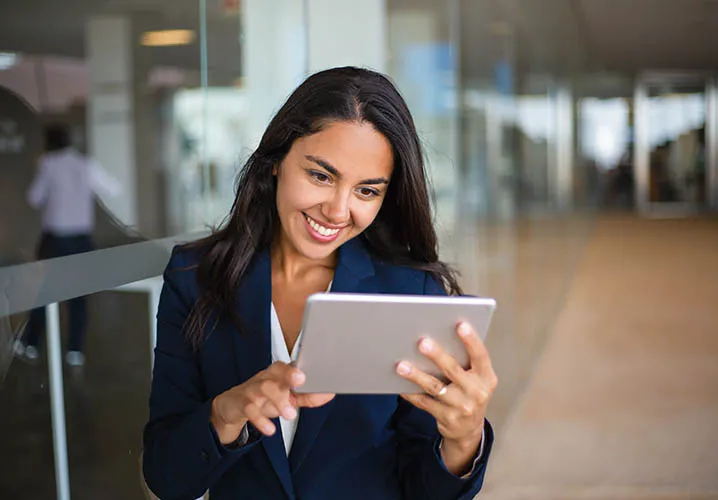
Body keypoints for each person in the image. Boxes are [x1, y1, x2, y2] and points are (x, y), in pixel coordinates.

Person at [143, 67, 497, 499]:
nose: (337, 210)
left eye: (367, 191)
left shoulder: (410, 292)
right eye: (321, 176)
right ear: (275, 162)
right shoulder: (194, 279)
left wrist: (463, 441)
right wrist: (227, 413)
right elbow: (166, 477)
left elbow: (425, 490)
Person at [14, 123, 119, 367]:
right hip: (82, 239)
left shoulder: (49, 165)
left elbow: (34, 198)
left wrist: (40, 169)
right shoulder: (85, 163)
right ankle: (75, 349)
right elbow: (113, 189)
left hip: (57, 239)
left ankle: (31, 343)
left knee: (46, 292)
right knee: (79, 295)